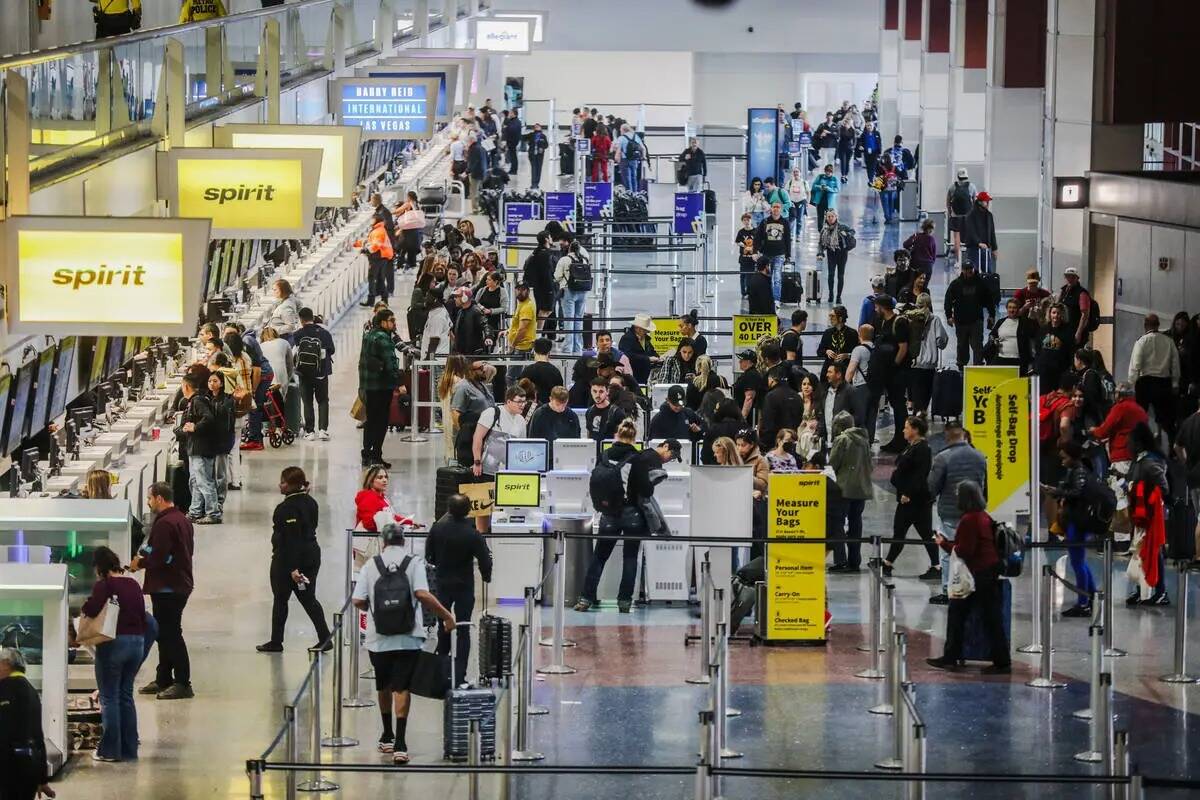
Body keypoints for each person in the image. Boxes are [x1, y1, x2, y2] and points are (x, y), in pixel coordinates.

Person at [352, 522, 455, 763]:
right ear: (403, 541)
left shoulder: (371, 565)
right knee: (402, 687)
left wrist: (374, 608)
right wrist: (446, 616)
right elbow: (422, 594)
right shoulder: (413, 563)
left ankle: (386, 735)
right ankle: (400, 742)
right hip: (408, 637)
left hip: (378, 639)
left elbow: (358, 600)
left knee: (383, 685)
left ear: (383, 541)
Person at [576, 423, 679, 613]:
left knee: (599, 557)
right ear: (634, 437)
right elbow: (646, 490)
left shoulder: (605, 454)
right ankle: (624, 603)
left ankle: (585, 599)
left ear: (617, 434)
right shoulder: (637, 458)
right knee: (630, 558)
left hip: (608, 514)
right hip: (632, 514)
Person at [926, 481, 1011, 674]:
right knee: (992, 618)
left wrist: (944, 544)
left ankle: (952, 656)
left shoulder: (968, 520)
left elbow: (965, 550)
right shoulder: (983, 517)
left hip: (976, 575)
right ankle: (1000, 660)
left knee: (958, 615)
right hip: (989, 572)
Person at [80, 546, 146, 762]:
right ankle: (129, 750)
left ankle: (109, 751)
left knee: (109, 698)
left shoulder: (105, 585)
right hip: (137, 643)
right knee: (126, 696)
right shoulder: (134, 584)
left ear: (100, 568)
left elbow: (91, 610)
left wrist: (83, 608)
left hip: (114, 644)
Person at [130, 482, 195, 700]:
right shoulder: (180, 520)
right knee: (163, 633)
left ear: (159, 498)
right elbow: (158, 548)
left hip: (169, 587)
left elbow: (159, 556)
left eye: (149, 498)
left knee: (171, 634)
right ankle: (163, 677)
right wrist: (144, 554)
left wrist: (138, 563)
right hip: (178, 583)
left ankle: (183, 682)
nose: (148, 502)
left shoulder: (165, 523)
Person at [256, 467, 331, 653]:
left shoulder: (285, 509)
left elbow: (292, 539)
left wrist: (293, 568)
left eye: (283, 482)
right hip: (312, 555)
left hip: (288, 560)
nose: (279, 485)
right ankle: (324, 637)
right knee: (308, 598)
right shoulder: (311, 502)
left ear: (291, 485)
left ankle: (276, 641)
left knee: (281, 599)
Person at [425, 493, 493, 687]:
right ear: (468, 511)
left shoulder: (437, 529)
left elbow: (429, 555)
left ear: (448, 508)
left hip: (442, 585)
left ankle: (441, 671)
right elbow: (485, 559)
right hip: (464, 586)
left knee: (443, 626)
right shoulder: (472, 533)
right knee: (463, 628)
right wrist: (486, 576)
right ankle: (459, 674)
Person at [927, 421, 988, 604]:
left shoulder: (942, 458)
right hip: (975, 513)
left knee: (948, 553)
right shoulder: (979, 456)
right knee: (972, 551)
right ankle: (971, 587)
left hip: (950, 511)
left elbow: (932, 486)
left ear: (947, 436)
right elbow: (985, 486)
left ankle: (949, 590)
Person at [1043, 441, 1102, 616]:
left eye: (1064, 457)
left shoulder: (1080, 472)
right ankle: (1090, 596)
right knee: (1079, 561)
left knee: (1078, 562)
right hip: (1076, 521)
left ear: (1072, 457)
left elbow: (1077, 492)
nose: (1062, 460)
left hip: (1078, 522)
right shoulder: (1077, 471)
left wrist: (1059, 493)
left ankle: (1083, 602)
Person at [883, 417, 939, 579]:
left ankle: (936, 566)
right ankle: (888, 562)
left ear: (915, 430)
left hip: (915, 500)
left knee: (922, 533)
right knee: (902, 531)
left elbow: (920, 475)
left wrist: (908, 493)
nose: (903, 430)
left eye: (906, 427)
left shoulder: (923, 449)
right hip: (909, 498)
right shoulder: (911, 446)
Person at [0, 647, 53, 800]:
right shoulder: (31, 690)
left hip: (8, 767)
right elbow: (38, 735)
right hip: (29, 766)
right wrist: (42, 779)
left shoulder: (5, 687)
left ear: (5, 664)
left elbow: (4, 731)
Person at [1126, 422, 1170, 605]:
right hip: (1139, 513)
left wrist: (1141, 490)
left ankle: (1160, 591)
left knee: (1153, 550)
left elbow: (1164, 487)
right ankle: (1141, 589)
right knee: (1139, 550)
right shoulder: (1139, 460)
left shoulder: (1150, 462)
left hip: (1151, 514)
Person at [828, 411, 873, 572]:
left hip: (843, 489)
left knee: (838, 525)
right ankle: (855, 561)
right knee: (856, 525)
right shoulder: (864, 440)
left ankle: (840, 561)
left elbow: (833, 463)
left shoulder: (842, 439)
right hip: (861, 488)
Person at [175, 374, 221, 524]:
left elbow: (208, 418)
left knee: (204, 481)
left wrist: (195, 427)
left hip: (201, 449)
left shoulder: (198, 401)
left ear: (186, 387)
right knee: (194, 481)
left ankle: (213, 513)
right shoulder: (195, 401)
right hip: (195, 448)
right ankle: (195, 511)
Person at [1129, 313, 1181, 443]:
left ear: (1145, 325)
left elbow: (1136, 365)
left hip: (1144, 383)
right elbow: (1175, 364)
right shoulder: (1168, 341)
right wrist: (1175, 383)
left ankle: (1142, 443)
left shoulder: (1141, 341)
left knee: (1140, 417)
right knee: (1166, 419)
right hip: (1164, 383)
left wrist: (1132, 383)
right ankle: (1172, 448)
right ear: (1158, 325)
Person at [359, 309, 401, 468]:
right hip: (382, 386)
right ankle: (376, 455)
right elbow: (391, 363)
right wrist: (399, 382)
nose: (394, 323)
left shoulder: (368, 335)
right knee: (381, 421)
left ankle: (366, 454)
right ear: (383, 322)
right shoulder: (384, 339)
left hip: (369, 385)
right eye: (392, 320)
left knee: (370, 420)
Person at [871, 295, 911, 453]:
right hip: (887, 372)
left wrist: (894, 365)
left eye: (876, 307)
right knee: (896, 404)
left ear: (882, 307)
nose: (875, 310)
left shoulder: (898, 322)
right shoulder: (883, 322)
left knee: (899, 405)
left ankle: (903, 439)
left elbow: (903, 347)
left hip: (897, 373)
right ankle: (898, 438)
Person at [944, 258, 996, 368]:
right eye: (966, 269)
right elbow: (948, 300)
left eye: (970, 269)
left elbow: (989, 300)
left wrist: (992, 315)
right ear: (962, 270)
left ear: (974, 269)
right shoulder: (956, 284)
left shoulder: (981, 283)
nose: (969, 271)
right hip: (960, 321)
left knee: (977, 345)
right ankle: (961, 366)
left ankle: (978, 366)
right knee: (962, 345)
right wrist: (949, 316)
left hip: (976, 320)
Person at [293, 308, 335, 441]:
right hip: (321, 372)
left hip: (304, 373)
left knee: (307, 401)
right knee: (322, 400)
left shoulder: (298, 334)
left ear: (301, 320)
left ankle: (310, 432)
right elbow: (332, 350)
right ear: (312, 317)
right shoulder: (324, 333)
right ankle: (323, 430)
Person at [1090, 382, 1149, 475]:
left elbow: (1104, 430)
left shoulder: (1120, 408)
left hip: (1122, 455)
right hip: (1138, 456)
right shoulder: (1141, 410)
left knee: (1120, 486)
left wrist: (1093, 431)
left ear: (1118, 394)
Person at [554, 237, 592, 355]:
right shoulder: (585, 259)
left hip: (569, 291)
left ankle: (567, 348)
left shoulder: (564, 259)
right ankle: (577, 348)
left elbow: (557, 276)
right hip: (583, 292)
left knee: (569, 320)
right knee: (578, 319)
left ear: (569, 248)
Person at [205, 373, 235, 521]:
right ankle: (212, 503)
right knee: (210, 475)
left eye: (215, 381)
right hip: (210, 441)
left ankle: (220, 502)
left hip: (222, 442)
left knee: (220, 475)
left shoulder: (228, 400)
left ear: (222, 384)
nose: (211, 384)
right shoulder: (206, 398)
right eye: (209, 381)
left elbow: (223, 417)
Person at [759, 366, 804, 461]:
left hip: (774, 446)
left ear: (772, 379)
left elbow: (767, 423)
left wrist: (763, 444)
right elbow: (799, 419)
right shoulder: (797, 396)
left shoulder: (770, 396)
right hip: (792, 443)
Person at [355, 466, 417, 533]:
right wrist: (393, 526)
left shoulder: (383, 498)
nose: (384, 480)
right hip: (369, 540)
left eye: (385, 477)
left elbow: (392, 517)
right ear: (370, 481)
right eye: (380, 477)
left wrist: (409, 522)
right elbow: (369, 524)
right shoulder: (368, 496)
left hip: (381, 539)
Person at [987, 298, 1038, 373]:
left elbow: (1034, 335)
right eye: (1010, 307)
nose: (1012, 310)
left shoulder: (1026, 322)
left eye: (1014, 307)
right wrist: (994, 340)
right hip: (1001, 358)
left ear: (1018, 309)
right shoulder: (1001, 321)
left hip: (1019, 360)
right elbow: (992, 335)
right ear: (1006, 309)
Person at [1036, 303, 1076, 394]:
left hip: (1060, 371)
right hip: (1044, 371)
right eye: (1054, 313)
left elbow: (1071, 350)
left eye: (1058, 313)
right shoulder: (1043, 330)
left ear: (1062, 315)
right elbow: (1038, 349)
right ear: (1050, 314)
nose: (1056, 315)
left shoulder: (1068, 331)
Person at [755, 202, 791, 302]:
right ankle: (766, 298)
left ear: (781, 209)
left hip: (779, 254)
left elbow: (788, 239)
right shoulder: (765, 221)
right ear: (771, 209)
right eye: (774, 207)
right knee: (766, 277)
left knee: (777, 278)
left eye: (778, 207)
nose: (776, 209)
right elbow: (758, 238)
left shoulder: (785, 222)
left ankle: (776, 300)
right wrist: (755, 251)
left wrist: (788, 255)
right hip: (766, 254)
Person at [817, 209, 854, 305]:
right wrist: (820, 253)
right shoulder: (824, 229)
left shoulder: (842, 227)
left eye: (832, 216)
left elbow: (852, 231)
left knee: (840, 276)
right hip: (831, 253)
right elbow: (820, 243)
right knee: (830, 275)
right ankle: (831, 295)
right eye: (828, 216)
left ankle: (838, 296)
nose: (830, 218)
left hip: (842, 253)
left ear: (836, 217)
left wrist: (847, 234)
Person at [362, 212, 396, 307]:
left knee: (372, 278)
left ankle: (371, 300)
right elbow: (371, 242)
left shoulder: (378, 231)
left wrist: (366, 250)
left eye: (372, 219)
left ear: (377, 220)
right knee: (380, 279)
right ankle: (384, 299)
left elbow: (376, 245)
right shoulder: (379, 229)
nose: (371, 221)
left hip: (378, 257)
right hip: (382, 257)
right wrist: (357, 244)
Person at [618, 313, 661, 384]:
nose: (647, 332)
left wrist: (658, 357)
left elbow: (651, 351)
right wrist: (648, 359)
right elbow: (627, 356)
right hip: (633, 375)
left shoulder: (645, 339)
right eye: (645, 330)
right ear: (637, 328)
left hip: (645, 375)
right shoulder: (627, 339)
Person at [1057, 266, 1095, 348]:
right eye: (1067, 276)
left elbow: (1085, 315)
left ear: (1077, 278)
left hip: (1075, 331)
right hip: (1064, 330)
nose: (1070, 278)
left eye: (1072, 276)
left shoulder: (1082, 293)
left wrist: (1078, 333)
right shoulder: (1063, 291)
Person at [945, 168, 977, 262]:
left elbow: (948, 202)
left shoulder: (952, 187)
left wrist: (950, 213)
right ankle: (967, 259)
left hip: (956, 216)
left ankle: (957, 261)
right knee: (968, 237)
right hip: (968, 217)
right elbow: (975, 202)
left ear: (958, 176)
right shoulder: (972, 187)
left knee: (956, 238)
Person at [520, 338, 563, 404]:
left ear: (534, 351)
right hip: (550, 408)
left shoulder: (528, 370)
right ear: (549, 352)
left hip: (530, 409)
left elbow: (519, 391)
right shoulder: (555, 372)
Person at [961, 192, 998, 269]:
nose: (988, 203)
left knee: (988, 271)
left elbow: (992, 232)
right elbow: (971, 231)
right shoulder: (971, 215)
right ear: (979, 202)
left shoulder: (989, 215)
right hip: (973, 248)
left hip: (986, 248)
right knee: (974, 271)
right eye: (986, 201)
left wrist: (994, 248)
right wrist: (979, 243)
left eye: (988, 201)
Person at [585, 377, 627, 441]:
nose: (597, 395)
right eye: (594, 391)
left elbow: (623, 439)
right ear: (591, 391)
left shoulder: (617, 413)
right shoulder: (589, 411)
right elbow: (589, 434)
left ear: (607, 392)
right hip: (593, 449)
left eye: (601, 391)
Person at [452, 288, 490, 356]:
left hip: (473, 353)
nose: (455, 299)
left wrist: (488, 337)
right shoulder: (460, 312)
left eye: (457, 296)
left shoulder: (476, 311)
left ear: (464, 298)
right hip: (462, 352)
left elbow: (485, 325)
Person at [732, 350, 764, 424]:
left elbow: (749, 398)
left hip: (750, 418)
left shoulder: (751, 375)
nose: (739, 362)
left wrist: (742, 418)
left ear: (749, 362)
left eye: (742, 360)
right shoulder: (748, 374)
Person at [810, 163, 840, 231]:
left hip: (830, 202)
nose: (828, 173)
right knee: (820, 216)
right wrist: (820, 187)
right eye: (827, 171)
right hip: (820, 200)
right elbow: (814, 186)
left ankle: (830, 230)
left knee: (830, 217)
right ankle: (820, 230)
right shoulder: (820, 177)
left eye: (829, 172)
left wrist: (829, 189)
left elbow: (837, 189)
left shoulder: (834, 179)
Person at [846, 324, 874, 389]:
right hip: (875, 386)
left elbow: (851, 371)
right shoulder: (876, 348)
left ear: (859, 335)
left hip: (861, 385)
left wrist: (844, 388)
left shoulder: (858, 350)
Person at [785, 167, 809, 236]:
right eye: (794, 172)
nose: (796, 173)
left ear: (800, 173)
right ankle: (791, 233)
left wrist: (807, 202)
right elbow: (786, 191)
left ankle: (798, 234)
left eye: (797, 172)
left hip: (801, 202)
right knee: (791, 218)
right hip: (792, 202)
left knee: (799, 219)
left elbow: (808, 192)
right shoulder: (790, 182)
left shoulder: (804, 182)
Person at [859, 121, 882, 187]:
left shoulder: (877, 133)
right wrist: (861, 146)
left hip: (875, 153)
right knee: (868, 166)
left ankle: (872, 180)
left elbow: (879, 143)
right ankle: (870, 179)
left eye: (870, 125)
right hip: (867, 152)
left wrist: (879, 152)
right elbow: (860, 142)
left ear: (873, 126)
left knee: (873, 166)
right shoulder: (863, 134)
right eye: (868, 125)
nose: (869, 127)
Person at [527, 122, 549, 188]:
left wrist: (542, 148)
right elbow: (524, 139)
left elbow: (546, 145)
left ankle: (537, 183)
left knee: (539, 168)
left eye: (538, 126)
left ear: (540, 127)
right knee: (534, 168)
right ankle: (533, 183)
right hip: (532, 154)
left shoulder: (543, 136)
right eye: (535, 127)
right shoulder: (531, 135)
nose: (537, 128)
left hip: (540, 155)